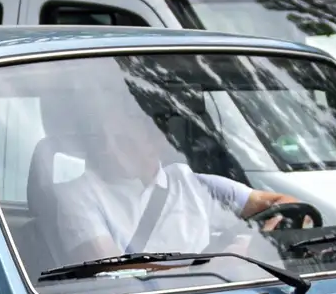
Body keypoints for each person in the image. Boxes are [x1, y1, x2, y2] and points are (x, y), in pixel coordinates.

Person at [53, 106, 310, 264]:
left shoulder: (192, 184)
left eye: (121, 140)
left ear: (154, 141)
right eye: (102, 140)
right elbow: (109, 277)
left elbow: (288, 206)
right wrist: (221, 263)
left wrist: (257, 242)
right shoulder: (78, 193)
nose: (108, 149)